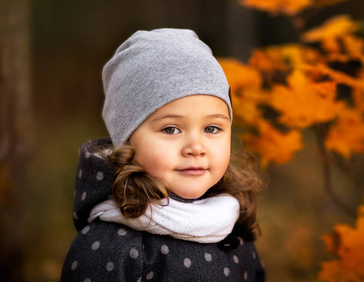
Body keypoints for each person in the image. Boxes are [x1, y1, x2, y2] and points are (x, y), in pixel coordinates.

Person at [60, 29, 266, 281]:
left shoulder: (232, 228)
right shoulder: (109, 246)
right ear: (127, 141)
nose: (196, 147)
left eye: (212, 128)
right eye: (171, 129)